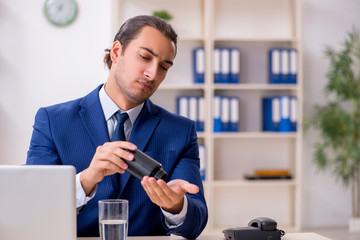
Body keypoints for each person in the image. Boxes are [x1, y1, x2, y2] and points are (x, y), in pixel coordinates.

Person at [26, 15, 208, 238]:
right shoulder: (52, 121)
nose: (152, 73)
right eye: (144, 57)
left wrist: (176, 207)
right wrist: (85, 181)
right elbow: (33, 208)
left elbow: (196, 222)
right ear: (116, 52)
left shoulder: (181, 131)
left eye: (163, 66)